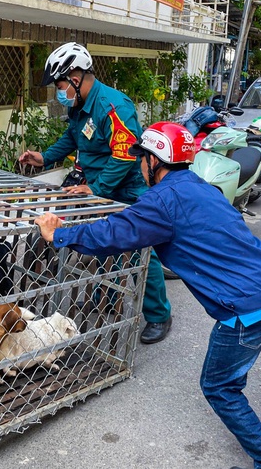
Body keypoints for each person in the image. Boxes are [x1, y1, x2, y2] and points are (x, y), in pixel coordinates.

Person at [35, 121, 261, 469]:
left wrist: (59, 235)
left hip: (245, 305)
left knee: (219, 387)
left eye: (143, 159)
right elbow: (136, 221)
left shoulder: (162, 201)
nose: (140, 165)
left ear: (155, 162)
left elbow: (114, 234)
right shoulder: (202, 187)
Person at [19, 42, 172, 344]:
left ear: (75, 77)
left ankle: (159, 315)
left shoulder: (112, 106)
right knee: (104, 241)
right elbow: (72, 138)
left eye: (60, 83)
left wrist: (96, 188)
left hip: (125, 189)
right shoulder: (79, 108)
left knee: (143, 251)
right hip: (97, 189)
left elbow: (126, 155)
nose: (59, 90)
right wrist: (45, 157)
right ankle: (107, 294)